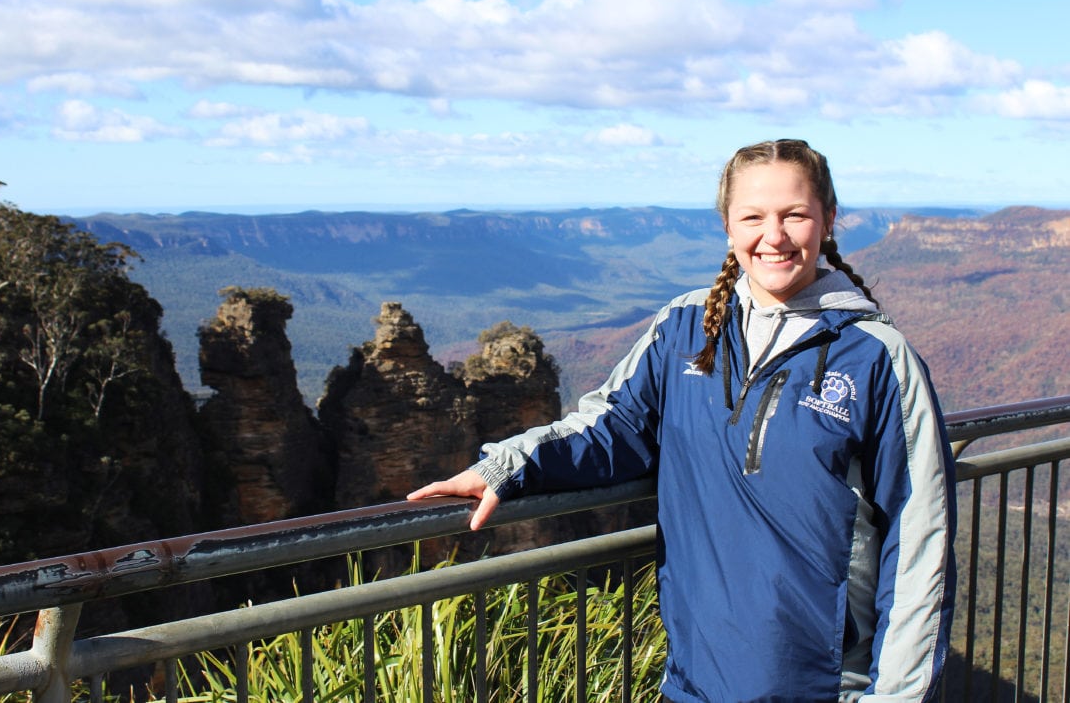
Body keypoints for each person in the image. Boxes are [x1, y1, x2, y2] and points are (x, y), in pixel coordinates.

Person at [409, 139, 956, 702]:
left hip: (822, 688)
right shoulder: (686, 328)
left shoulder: (876, 359)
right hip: (693, 682)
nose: (774, 236)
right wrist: (508, 466)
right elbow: (612, 426)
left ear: (829, 220)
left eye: (794, 214)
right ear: (727, 226)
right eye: (753, 217)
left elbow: (920, 544)